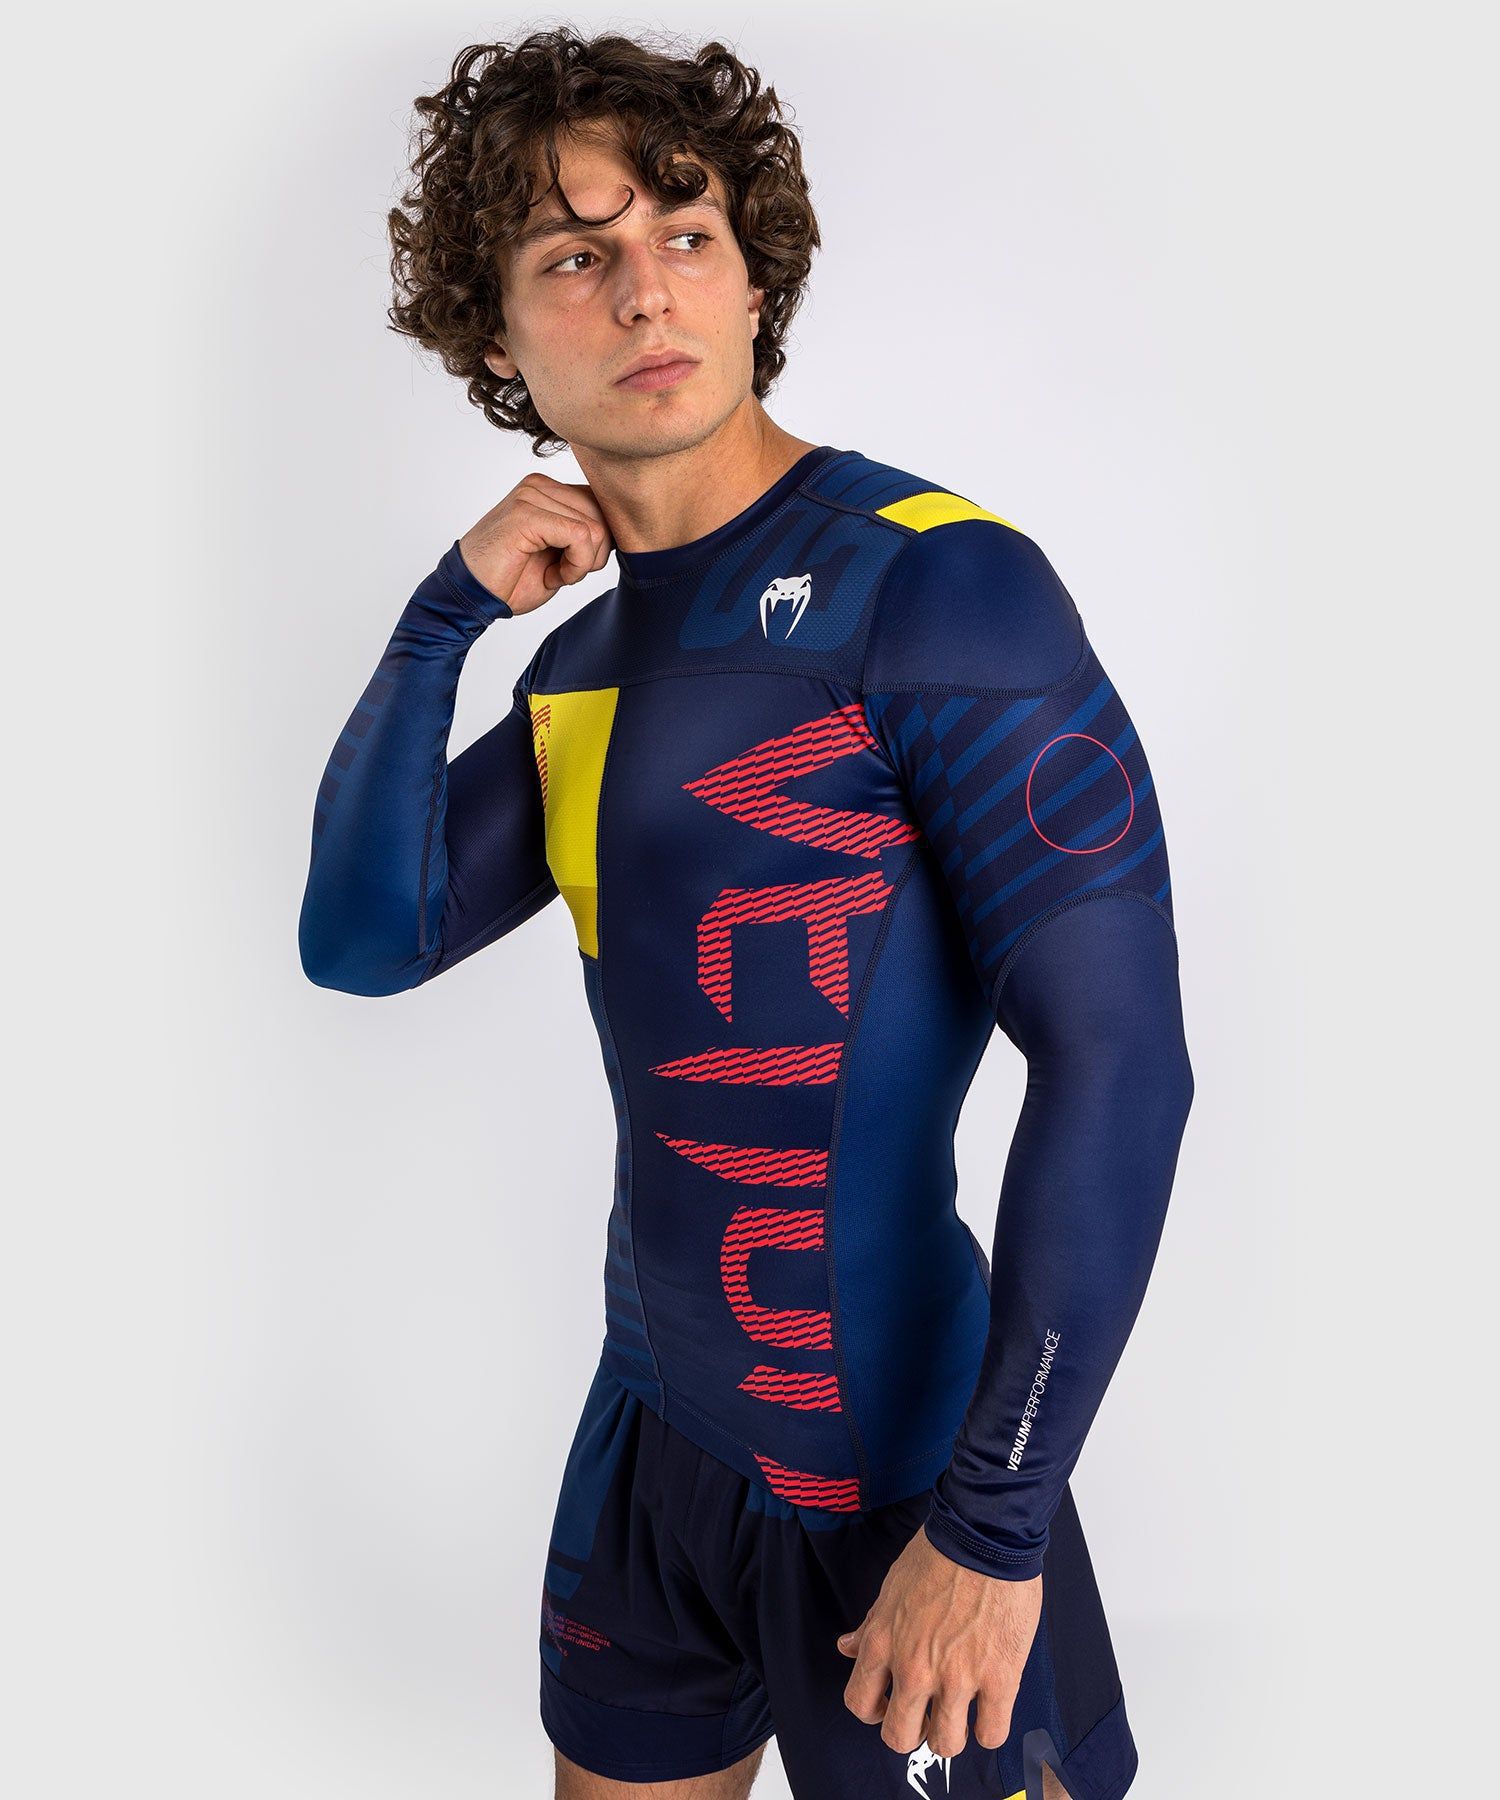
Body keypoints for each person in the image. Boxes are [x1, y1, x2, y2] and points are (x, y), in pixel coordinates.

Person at [298, 27, 1193, 1800]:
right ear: (498, 341)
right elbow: (364, 940)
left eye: (686, 235)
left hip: (907, 1486)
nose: (645, 292)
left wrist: (995, 1527)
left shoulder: (938, 589)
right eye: (577, 257)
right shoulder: (580, 674)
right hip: (650, 1450)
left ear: (753, 274)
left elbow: (1121, 1068)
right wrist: (439, 622)